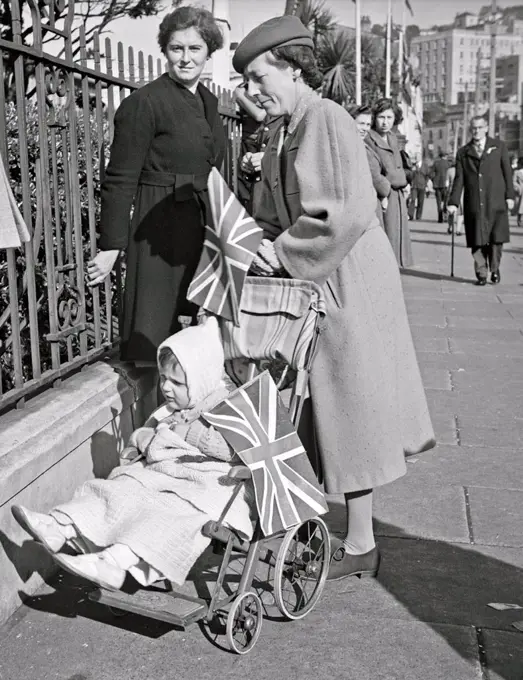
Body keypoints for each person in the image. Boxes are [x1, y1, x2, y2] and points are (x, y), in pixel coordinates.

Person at [233, 16, 435, 581]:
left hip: (347, 280)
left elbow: (340, 212)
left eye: (258, 76)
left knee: (349, 406)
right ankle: (334, 529)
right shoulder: (289, 126)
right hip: (326, 276)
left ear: (293, 68)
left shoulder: (324, 118)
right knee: (328, 407)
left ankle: (363, 542)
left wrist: (283, 251)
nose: (252, 91)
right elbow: (286, 210)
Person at [12, 318, 255, 591]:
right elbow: (153, 429)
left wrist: (189, 433)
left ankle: (112, 562)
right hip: (167, 472)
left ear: (201, 381)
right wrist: (143, 438)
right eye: (163, 378)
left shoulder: (226, 406)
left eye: (176, 382)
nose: (165, 387)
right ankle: (61, 525)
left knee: (165, 514)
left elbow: (236, 449)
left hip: (211, 481)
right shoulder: (174, 409)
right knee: (118, 489)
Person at [86, 6, 226, 364]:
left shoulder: (209, 102)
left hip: (199, 220)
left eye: (195, 49)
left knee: (194, 325)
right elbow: (119, 178)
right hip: (157, 223)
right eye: (176, 48)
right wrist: (111, 245)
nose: (185, 58)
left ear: (208, 51)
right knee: (153, 327)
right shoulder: (143, 103)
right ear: (164, 50)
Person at [447, 115, 515, 286]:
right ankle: (481, 272)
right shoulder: (463, 152)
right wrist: (453, 202)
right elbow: (459, 179)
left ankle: (494, 267)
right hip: (475, 202)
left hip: (496, 200)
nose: (476, 131)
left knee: (496, 239)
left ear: (486, 128)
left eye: (479, 128)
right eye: (473, 128)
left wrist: (510, 196)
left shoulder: (498, 147)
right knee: (477, 239)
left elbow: (508, 173)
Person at [365, 98, 413, 268]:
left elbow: (397, 169)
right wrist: (401, 179)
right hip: (383, 198)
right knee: (385, 239)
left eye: (389, 118)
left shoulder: (393, 138)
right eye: (381, 117)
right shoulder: (369, 139)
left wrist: (399, 178)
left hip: (396, 197)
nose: (385, 122)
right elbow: (381, 174)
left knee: (396, 238)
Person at [234, 83, 283, 213]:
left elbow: (260, 115)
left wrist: (241, 97)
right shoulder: (243, 87)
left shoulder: (266, 87)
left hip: (264, 142)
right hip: (249, 142)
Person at [349, 104, 387, 227]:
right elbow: (375, 177)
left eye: (368, 125)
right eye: (361, 123)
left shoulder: (363, 145)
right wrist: (386, 189)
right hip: (363, 208)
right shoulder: (355, 147)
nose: (365, 128)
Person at [430, 152, 450, 224]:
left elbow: (431, 173)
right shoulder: (448, 164)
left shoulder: (436, 163)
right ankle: (445, 215)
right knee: (446, 201)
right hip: (445, 185)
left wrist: (433, 180)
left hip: (437, 185)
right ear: (445, 156)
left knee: (438, 202)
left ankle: (440, 217)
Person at [445, 158, 462, 236]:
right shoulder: (463, 170)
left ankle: (450, 227)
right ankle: (458, 229)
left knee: (451, 211)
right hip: (462, 192)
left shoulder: (449, 171)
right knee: (460, 212)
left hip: (451, 192)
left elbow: (446, 184)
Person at [513, 156, 523, 227]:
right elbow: (513, 182)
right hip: (521, 192)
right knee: (520, 207)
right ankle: (519, 219)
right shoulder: (516, 172)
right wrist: (518, 188)